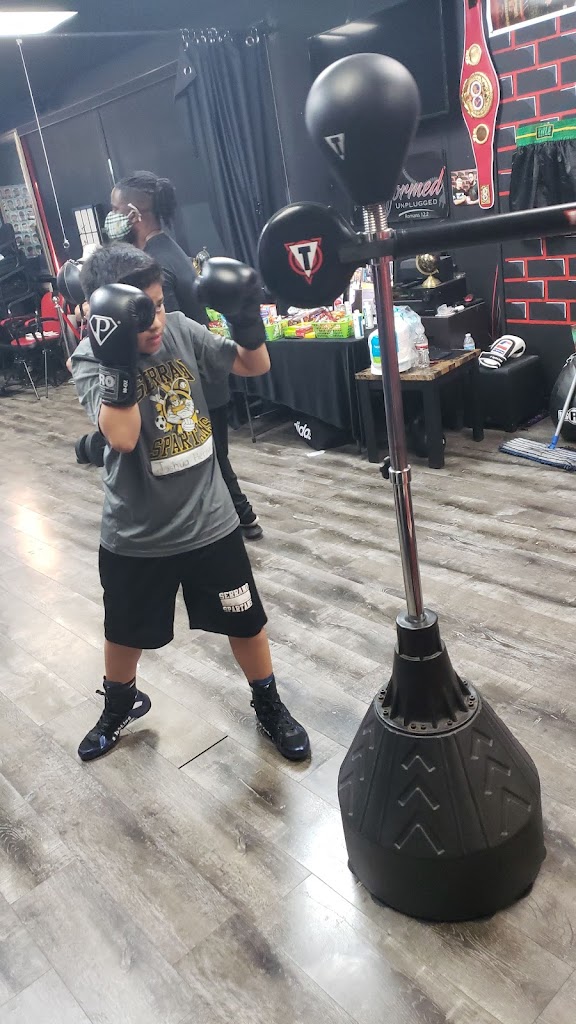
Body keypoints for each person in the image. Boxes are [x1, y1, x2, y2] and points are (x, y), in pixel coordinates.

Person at [70, 243, 310, 765]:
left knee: (246, 622)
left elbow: (253, 363)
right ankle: (119, 705)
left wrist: (245, 316)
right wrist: (118, 354)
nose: (156, 321)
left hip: (211, 521)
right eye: (141, 314)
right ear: (109, 317)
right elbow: (123, 436)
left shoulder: (179, 329)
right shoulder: (92, 358)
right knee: (124, 633)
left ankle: (268, 704)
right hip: (137, 533)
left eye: (159, 304)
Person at [104, 170, 263, 541]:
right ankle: (242, 519)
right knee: (212, 458)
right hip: (202, 376)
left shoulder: (156, 265)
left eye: (115, 209)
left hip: (191, 379)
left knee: (206, 460)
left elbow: (164, 339)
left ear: (132, 214)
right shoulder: (164, 250)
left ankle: (240, 519)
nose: (110, 217)